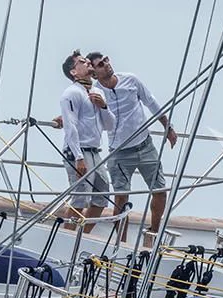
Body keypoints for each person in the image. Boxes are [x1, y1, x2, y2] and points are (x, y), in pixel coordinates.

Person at [88, 51, 177, 247]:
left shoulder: (131, 80)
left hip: (145, 146)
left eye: (106, 60)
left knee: (160, 191)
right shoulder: (95, 93)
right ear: (94, 73)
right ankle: (121, 243)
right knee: (121, 199)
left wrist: (167, 127)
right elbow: (86, 115)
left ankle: (152, 235)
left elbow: (151, 102)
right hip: (119, 153)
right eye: (101, 64)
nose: (106, 64)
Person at [56, 50, 114, 230]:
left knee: (102, 195)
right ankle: (68, 236)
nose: (88, 63)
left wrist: (103, 106)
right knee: (80, 197)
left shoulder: (97, 92)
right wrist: (78, 157)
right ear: (73, 71)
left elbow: (109, 124)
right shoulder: (71, 93)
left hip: (95, 150)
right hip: (79, 151)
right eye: (82, 62)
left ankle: (84, 234)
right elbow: (70, 126)